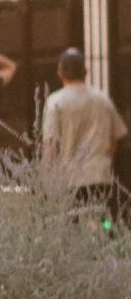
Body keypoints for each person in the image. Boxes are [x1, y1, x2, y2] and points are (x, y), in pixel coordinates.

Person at [40, 48, 126, 213]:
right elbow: (115, 139)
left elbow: (49, 145)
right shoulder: (102, 99)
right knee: (101, 220)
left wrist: (45, 181)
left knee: (74, 224)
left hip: (69, 179)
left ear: (60, 73)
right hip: (100, 176)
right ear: (85, 72)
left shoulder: (55, 102)